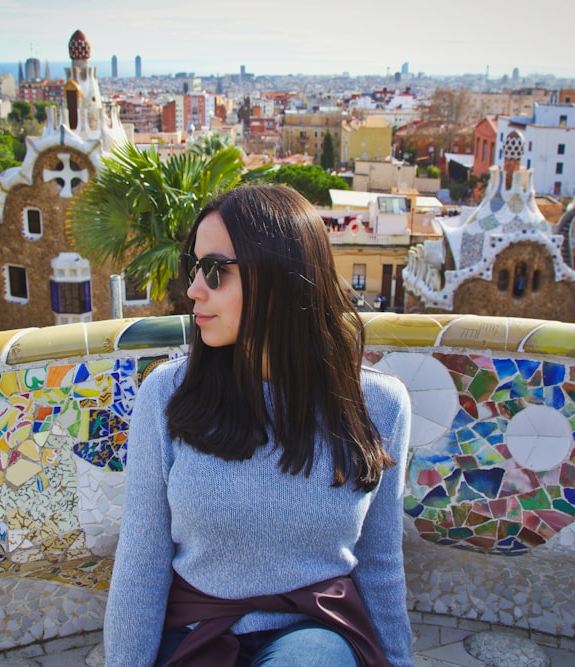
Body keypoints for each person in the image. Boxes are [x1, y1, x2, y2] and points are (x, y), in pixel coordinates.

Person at [103, 185, 413, 666]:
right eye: (194, 267)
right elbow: (141, 564)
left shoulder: (377, 403)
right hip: (195, 633)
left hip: (316, 635)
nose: (193, 290)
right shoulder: (167, 394)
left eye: (215, 271)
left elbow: (380, 564)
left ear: (281, 277)